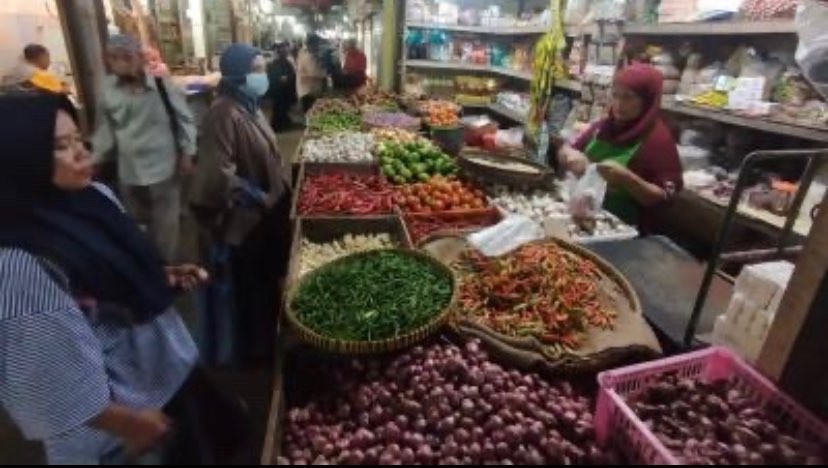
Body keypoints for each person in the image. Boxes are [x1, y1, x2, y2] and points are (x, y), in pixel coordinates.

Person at [0, 93, 250, 464]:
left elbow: (105, 276)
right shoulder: (19, 264)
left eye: (78, 139)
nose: (82, 153)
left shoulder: (94, 198)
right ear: (19, 160)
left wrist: (159, 276)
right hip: (116, 422)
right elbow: (47, 376)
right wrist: (129, 423)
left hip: (164, 373)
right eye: (59, 147)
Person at [190, 44, 292, 368]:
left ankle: (264, 339)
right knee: (249, 287)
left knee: (263, 283)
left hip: (264, 214)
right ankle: (253, 354)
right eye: (257, 69)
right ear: (237, 74)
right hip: (244, 222)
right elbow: (216, 176)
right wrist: (257, 197)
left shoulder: (250, 106)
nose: (262, 76)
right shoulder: (222, 113)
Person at [92, 34, 197, 262]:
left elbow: (184, 117)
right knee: (136, 224)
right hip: (129, 171)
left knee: (166, 227)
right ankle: (145, 265)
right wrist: (96, 158)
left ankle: (165, 270)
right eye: (113, 58)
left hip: (163, 168)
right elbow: (105, 128)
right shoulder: (107, 89)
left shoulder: (160, 83)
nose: (120, 63)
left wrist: (187, 152)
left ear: (139, 58)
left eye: (126, 57)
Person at [553, 64, 683, 232]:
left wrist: (627, 179)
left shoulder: (658, 141)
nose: (619, 104)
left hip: (621, 229)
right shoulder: (603, 127)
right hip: (584, 215)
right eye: (615, 95)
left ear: (647, 100)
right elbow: (568, 148)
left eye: (628, 98)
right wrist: (567, 155)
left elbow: (664, 198)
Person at [266, 41, 297, 132]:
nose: (285, 51)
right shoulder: (274, 63)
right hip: (278, 91)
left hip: (285, 91)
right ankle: (278, 126)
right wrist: (281, 78)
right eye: (282, 50)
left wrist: (288, 78)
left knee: (283, 109)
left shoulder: (288, 62)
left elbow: (292, 74)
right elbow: (271, 76)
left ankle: (283, 124)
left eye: (286, 49)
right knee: (278, 109)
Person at [296, 34, 327, 113]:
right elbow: (315, 73)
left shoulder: (308, 55)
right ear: (310, 44)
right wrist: (323, 74)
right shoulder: (307, 57)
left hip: (310, 91)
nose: (318, 46)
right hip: (309, 93)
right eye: (316, 44)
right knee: (311, 116)